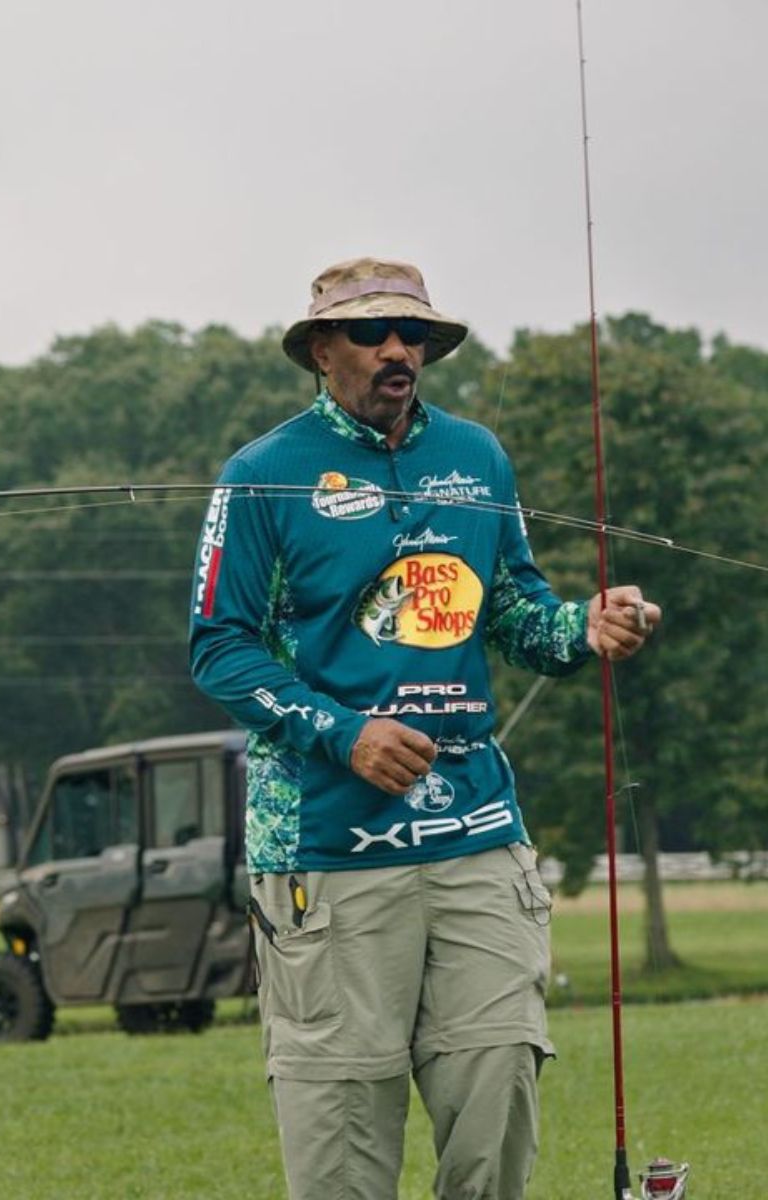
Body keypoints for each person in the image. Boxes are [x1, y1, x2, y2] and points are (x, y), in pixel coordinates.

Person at [188, 256, 660, 1199]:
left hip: (477, 835)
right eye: (372, 332)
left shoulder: (477, 457)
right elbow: (219, 648)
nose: (398, 350)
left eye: (416, 335)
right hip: (326, 849)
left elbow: (517, 610)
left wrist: (586, 626)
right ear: (323, 349)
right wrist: (343, 731)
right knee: (344, 1155)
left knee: (496, 1106)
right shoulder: (260, 475)